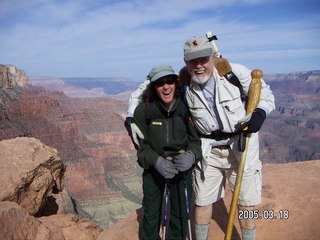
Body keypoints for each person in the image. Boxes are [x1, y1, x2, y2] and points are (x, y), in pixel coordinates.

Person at [181, 35, 275, 240]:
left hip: (241, 146)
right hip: (209, 151)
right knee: (202, 202)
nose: (199, 66)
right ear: (186, 63)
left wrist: (260, 112)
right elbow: (149, 89)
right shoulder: (184, 85)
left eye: (203, 59)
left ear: (212, 58)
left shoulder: (234, 73)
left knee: (245, 201)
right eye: (193, 61)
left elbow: (266, 94)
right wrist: (131, 116)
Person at [132, 64, 202, 240]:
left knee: (180, 214)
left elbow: (196, 141)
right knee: (151, 213)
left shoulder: (186, 107)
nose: (166, 86)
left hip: (181, 167)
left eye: (170, 81)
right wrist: (157, 161)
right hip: (155, 168)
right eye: (160, 83)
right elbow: (141, 149)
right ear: (153, 87)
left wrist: (191, 156)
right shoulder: (144, 110)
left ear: (175, 83)